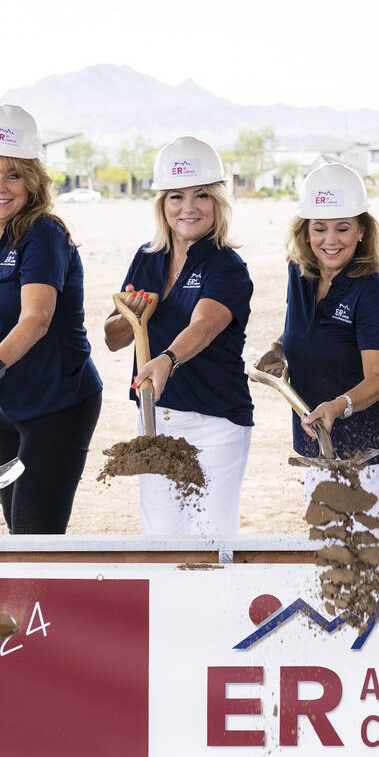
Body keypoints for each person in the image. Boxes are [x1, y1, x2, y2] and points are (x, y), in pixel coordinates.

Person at [0, 105, 102, 534]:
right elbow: (3, 316)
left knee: (37, 534)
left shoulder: (43, 233)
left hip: (60, 400)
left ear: (32, 182)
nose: (0, 187)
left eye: (13, 175)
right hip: (13, 403)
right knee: (16, 528)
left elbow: (37, 317)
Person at [104, 136, 253, 534]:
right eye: (175, 197)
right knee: (161, 537)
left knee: (210, 539)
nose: (188, 208)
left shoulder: (227, 266)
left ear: (217, 203)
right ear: (162, 205)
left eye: (201, 195)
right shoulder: (148, 257)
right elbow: (113, 337)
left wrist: (166, 360)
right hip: (156, 414)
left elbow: (203, 327)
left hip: (216, 422)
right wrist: (128, 316)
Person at [255, 163, 379, 531]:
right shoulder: (299, 273)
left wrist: (338, 406)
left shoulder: (372, 293)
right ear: (305, 231)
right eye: (319, 228)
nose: (330, 240)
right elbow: (302, 331)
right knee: (326, 555)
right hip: (317, 448)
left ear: (362, 229)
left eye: (343, 227)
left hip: (367, 450)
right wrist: (279, 352)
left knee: (362, 563)